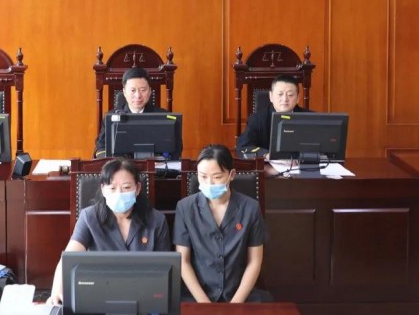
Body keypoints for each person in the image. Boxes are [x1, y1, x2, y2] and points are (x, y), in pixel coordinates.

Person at [46, 158, 171, 305]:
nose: (119, 193)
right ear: (103, 190)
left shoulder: (156, 220)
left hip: (144, 296)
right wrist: (56, 293)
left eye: (126, 187)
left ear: (137, 189)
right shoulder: (89, 217)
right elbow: (68, 260)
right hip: (98, 295)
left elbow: (166, 269)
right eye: (112, 188)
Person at [173, 144, 270, 303]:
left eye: (217, 177)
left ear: (232, 175)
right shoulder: (185, 208)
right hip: (196, 296)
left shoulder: (250, 208)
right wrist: (204, 304)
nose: (209, 183)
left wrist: (235, 305)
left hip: (240, 295)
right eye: (203, 176)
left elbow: (254, 261)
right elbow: (183, 261)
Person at [93, 67, 176, 158]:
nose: (138, 96)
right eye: (133, 90)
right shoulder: (111, 117)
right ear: (124, 92)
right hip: (121, 165)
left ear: (149, 91)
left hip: (154, 165)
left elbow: (174, 149)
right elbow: (101, 148)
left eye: (143, 90)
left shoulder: (163, 117)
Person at [235, 74, 310, 159]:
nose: (285, 99)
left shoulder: (310, 118)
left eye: (290, 95)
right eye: (280, 94)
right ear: (271, 96)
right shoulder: (257, 120)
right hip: (269, 165)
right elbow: (243, 147)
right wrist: (265, 154)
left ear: (298, 98)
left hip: (301, 165)